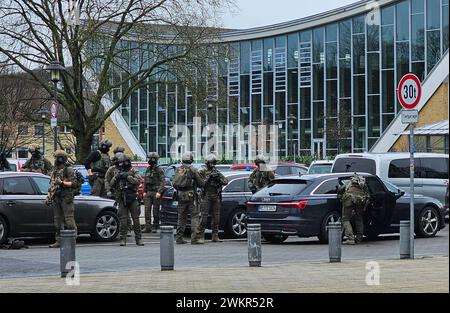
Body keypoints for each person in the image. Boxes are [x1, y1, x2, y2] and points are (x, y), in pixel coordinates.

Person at [45, 150, 80, 248]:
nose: (55, 160)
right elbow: (52, 185)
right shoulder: (54, 170)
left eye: (56, 157)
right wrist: (48, 196)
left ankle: (72, 239)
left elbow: (74, 184)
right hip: (56, 196)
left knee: (69, 220)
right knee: (57, 221)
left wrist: (62, 183)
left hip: (66, 197)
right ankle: (59, 241)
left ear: (61, 158)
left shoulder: (68, 170)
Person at [109, 153, 144, 246]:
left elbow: (138, 181)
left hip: (132, 197)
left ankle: (138, 239)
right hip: (122, 197)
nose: (121, 165)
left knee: (136, 220)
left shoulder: (133, 171)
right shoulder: (118, 172)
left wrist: (128, 177)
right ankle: (123, 238)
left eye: (123, 163)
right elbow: (111, 184)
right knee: (123, 220)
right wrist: (116, 177)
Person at [173, 152, 204, 244]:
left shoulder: (179, 169)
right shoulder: (193, 169)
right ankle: (194, 239)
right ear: (191, 159)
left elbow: (174, 183)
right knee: (194, 216)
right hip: (191, 195)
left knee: (181, 217)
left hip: (180, 195)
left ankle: (179, 238)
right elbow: (201, 183)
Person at [197, 154, 228, 243]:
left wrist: (218, 178)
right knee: (203, 217)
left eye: (214, 163)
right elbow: (200, 183)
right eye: (211, 163)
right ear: (207, 163)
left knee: (216, 217)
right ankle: (200, 236)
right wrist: (208, 178)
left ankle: (215, 236)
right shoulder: (202, 171)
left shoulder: (216, 172)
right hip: (206, 196)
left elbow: (225, 181)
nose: (213, 165)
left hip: (215, 196)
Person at [337, 173, 369, 245]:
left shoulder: (349, 182)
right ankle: (359, 238)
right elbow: (367, 196)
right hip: (360, 201)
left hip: (349, 201)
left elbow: (340, 190)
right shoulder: (364, 185)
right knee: (359, 219)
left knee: (345, 219)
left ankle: (350, 238)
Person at [143, 152, 165, 233]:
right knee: (146, 210)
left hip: (156, 192)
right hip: (148, 192)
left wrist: (159, 192)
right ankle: (147, 227)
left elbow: (162, 181)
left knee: (155, 210)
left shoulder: (159, 169)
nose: (148, 160)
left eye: (149, 159)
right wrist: (144, 191)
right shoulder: (148, 169)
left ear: (153, 159)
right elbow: (145, 181)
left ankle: (155, 226)